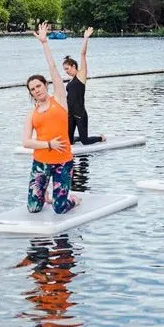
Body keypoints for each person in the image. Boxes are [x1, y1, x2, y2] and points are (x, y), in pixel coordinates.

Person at [22, 22, 81, 214]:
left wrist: (44, 43)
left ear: (45, 86)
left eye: (38, 86)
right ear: (31, 93)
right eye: (33, 89)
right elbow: (26, 142)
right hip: (40, 162)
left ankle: (72, 198)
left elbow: (53, 67)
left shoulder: (60, 101)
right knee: (33, 208)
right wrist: (48, 144)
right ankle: (44, 195)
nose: (36, 90)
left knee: (59, 208)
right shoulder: (32, 114)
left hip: (63, 161)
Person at [63, 27, 106, 145]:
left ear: (73, 66)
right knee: (69, 141)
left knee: (85, 141)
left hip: (80, 113)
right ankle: (75, 138)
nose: (66, 71)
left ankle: (100, 138)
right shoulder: (70, 81)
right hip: (70, 113)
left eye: (67, 68)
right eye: (64, 69)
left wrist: (86, 38)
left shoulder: (81, 75)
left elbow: (82, 54)